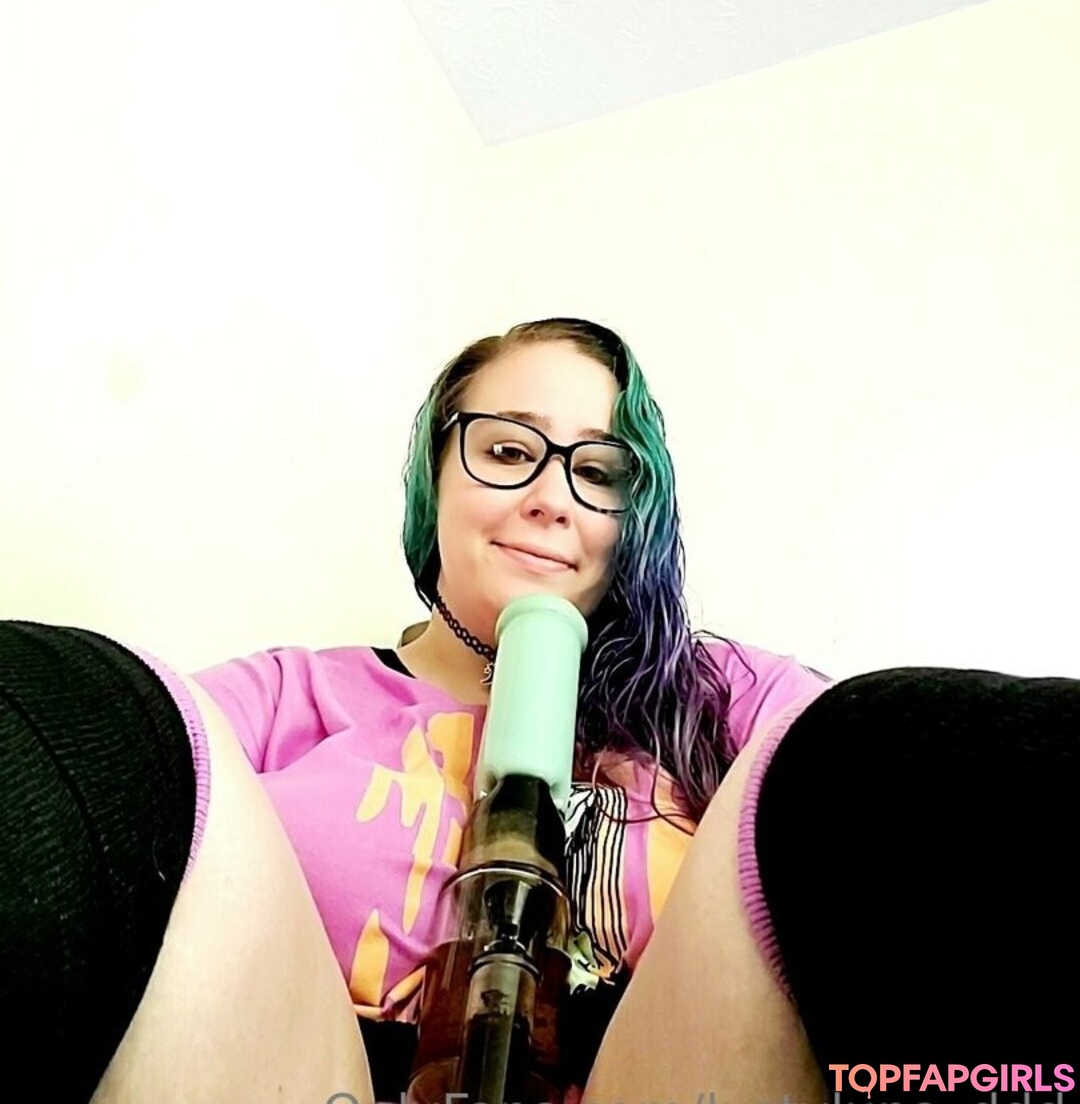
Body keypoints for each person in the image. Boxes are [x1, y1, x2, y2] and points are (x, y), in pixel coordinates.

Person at [2, 317, 1076, 1104]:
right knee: (105, 712)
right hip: (309, 1074)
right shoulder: (296, 695)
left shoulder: (715, 697)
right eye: (510, 450)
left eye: (599, 470)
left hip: (658, 1073)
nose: (552, 497)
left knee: (880, 743)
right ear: (436, 474)